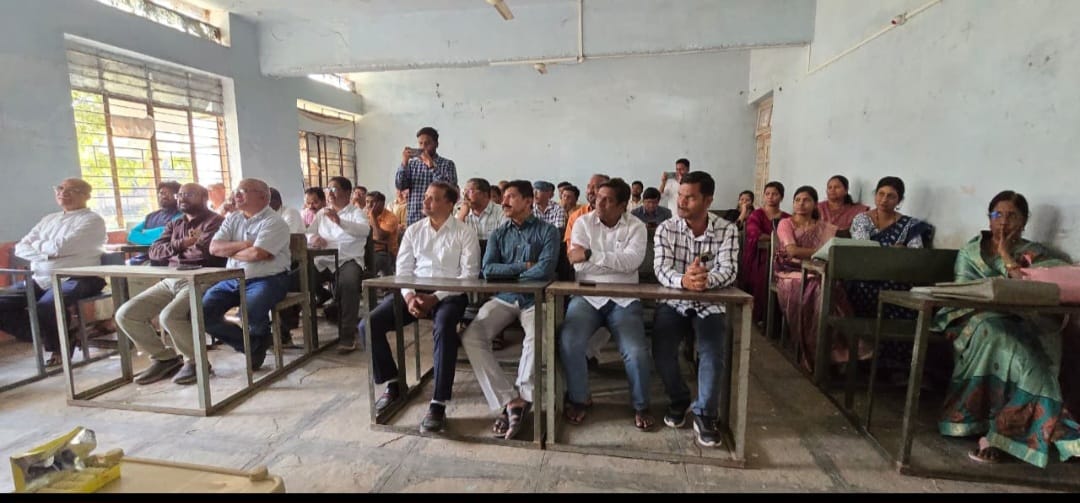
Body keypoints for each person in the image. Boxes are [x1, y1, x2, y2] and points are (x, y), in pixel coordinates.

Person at [933, 191, 1080, 467]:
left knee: (1031, 352)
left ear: (1024, 221)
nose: (1003, 221)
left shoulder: (1036, 253)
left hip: (1027, 321)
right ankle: (1029, 428)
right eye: (997, 214)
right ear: (988, 218)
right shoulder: (971, 251)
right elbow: (962, 294)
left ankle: (1003, 432)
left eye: (1012, 215)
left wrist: (1005, 255)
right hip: (977, 319)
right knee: (1001, 338)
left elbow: (1042, 290)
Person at [364, 181, 480, 433]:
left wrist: (435, 298)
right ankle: (394, 383)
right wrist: (409, 297)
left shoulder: (464, 232)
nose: (425, 201)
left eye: (433, 198)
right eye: (426, 196)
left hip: (450, 294)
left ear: (449, 203)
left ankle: (438, 402)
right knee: (369, 324)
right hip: (414, 292)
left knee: (445, 327)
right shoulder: (414, 231)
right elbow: (403, 270)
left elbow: (468, 277)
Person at [460, 180, 559, 440]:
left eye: (511, 196)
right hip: (505, 298)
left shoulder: (548, 231)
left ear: (528, 201)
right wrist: (523, 267)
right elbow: (488, 270)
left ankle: (524, 397)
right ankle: (509, 399)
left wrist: (511, 273)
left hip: (535, 299)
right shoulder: (499, 234)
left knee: (537, 335)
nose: (504, 201)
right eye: (503, 197)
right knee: (472, 335)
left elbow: (545, 270)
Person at [652, 171, 739, 447]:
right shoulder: (667, 228)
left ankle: (705, 414)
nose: (681, 201)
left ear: (708, 200)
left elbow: (729, 269)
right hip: (674, 299)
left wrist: (705, 281)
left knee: (712, 352)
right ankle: (679, 398)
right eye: (680, 195)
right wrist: (684, 281)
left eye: (690, 197)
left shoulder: (727, 229)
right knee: (662, 349)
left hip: (710, 301)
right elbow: (661, 268)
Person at [560, 178, 653, 430]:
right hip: (587, 295)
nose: (599, 203)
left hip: (624, 297)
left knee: (636, 351)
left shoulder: (636, 226)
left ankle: (641, 404)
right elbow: (578, 266)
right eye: (598, 197)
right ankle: (579, 398)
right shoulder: (583, 222)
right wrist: (612, 263)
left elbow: (632, 262)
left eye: (607, 200)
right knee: (570, 341)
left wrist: (591, 254)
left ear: (623, 205)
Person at [113, 183, 226, 385]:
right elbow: (154, 251)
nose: (182, 198)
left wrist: (175, 249)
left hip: (202, 277)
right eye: (180, 195)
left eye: (189, 194)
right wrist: (182, 244)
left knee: (170, 316)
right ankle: (164, 359)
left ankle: (196, 362)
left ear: (204, 197)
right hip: (171, 277)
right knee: (126, 314)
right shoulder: (175, 224)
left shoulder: (215, 222)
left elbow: (204, 253)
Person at [0, 178, 106, 366]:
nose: (63, 193)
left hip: (80, 277)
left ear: (86, 195)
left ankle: (57, 346)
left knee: (47, 304)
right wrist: (46, 254)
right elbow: (21, 247)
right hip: (41, 278)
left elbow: (61, 247)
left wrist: (39, 247)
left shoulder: (92, 220)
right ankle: (57, 336)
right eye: (60, 188)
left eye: (72, 190)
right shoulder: (48, 219)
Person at [846, 176, 935, 381]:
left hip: (898, 277)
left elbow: (915, 254)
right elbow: (864, 250)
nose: (884, 200)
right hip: (866, 276)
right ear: (875, 195)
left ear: (899, 200)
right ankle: (866, 359)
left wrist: (896, 254)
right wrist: (892, 251)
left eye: (891, 196)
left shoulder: (910, 225)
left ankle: (897, 365)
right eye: (881, 194)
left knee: (908, 300)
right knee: (865, 294)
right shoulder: (862, 220)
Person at [203, 179, 292, 371]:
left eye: (243, 191)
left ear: (263, 196)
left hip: (269, 279)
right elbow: (214, 248)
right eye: (236, 190)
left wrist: (231, 251)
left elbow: (257, 254)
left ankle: (257, 337)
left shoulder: (274, 222)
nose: (236, 195)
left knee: (251, 308)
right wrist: (245, 245)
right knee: (203, 312)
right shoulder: (233, 219)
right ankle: (252, 345)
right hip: (233, 279)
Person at [773, 186, 863, 373]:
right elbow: (792, 251)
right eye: (797, 200)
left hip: (817, 271)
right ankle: (812, 351)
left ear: (815, 204)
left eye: (806, 200)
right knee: (816, 287)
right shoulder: (786, 223)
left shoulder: (825, 228)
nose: (801, 204)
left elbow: (834, 251)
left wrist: (822, 255)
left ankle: (836, 351)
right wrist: (820, 252)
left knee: (834, 287)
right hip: (790, 271)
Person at [307, 176, 371, 354]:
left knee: (348, 284)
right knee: (298, 279)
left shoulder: (356, 213)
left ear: (347, 192)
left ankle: (347, 336)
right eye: (328, 189)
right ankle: (287, 332)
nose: (330, 193)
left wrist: (339, 221)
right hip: (323, 260)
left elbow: (365, 230)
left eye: (334, 189)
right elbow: (308, 233)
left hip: (347, 259)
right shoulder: (322, 213)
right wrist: (313, 238)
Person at [740, 181, 789, 323]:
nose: (770, 197)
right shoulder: (757, 215)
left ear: (781, 197)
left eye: (775, 194)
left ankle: (780, 321)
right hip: (760, 256)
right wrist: (778, 239)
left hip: (783, 257)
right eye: (767, 194)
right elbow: (755, 234)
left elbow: (793, 236)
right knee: (763, 273)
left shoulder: (787, 218)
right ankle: (761, 317)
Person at [395, 126, 457, 226]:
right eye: (420, 143)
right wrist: (404, 163)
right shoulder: (412, 164)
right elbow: (400, 186)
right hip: (415, 218)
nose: (423, 147)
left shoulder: (447, 164)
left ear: (436, 144)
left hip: (439, 219)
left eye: (427, 143)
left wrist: (431, 165)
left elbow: (450, 190)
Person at [126, 181, 182, 246]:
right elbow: (132, 235)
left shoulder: (182, 215)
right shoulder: (150, 216)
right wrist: (157, 234)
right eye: (161, 193)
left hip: (168, 252)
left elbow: (168, 234)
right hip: (146, 252)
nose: (164, 196)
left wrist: (144, 233)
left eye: (169, 193)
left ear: (177, 196)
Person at [365, 191, 399, 277]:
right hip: (367, 249)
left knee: (374, 262)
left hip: (385, 252)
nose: (369, 205)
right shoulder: (364, 215)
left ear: (382, 204)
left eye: (373, 202)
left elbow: (379, 237)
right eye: (367, 202)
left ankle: (372, 282)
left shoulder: (391, 218)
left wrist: (373, 216)